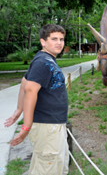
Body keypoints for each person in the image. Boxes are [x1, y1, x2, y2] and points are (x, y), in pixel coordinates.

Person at [4, 24, 69, 174]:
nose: (59, 42)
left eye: (61, 39)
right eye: (54, 39)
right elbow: (30, 90)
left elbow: (24, 82)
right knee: (48, 169)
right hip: (47, 127)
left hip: (54, 125)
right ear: (43, 42)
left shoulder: (45, 59)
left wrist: (19, 109)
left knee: (56, 167)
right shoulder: (43, 62)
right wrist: (25, 126)